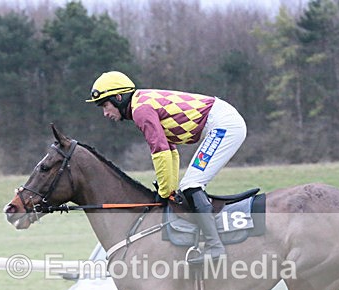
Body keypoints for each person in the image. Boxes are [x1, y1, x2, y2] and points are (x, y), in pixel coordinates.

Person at [86, 71, 247, 264]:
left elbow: (160, 151)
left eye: (105, 105)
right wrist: (169, 190)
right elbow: (171, 151)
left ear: (119, 98)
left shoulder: (141, 110)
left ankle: (215, 247)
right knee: (187, 186)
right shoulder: (141, 104)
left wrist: (164, 192)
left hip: (224, 125)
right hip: (222, 121)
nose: (105, 113)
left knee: (192, 184)